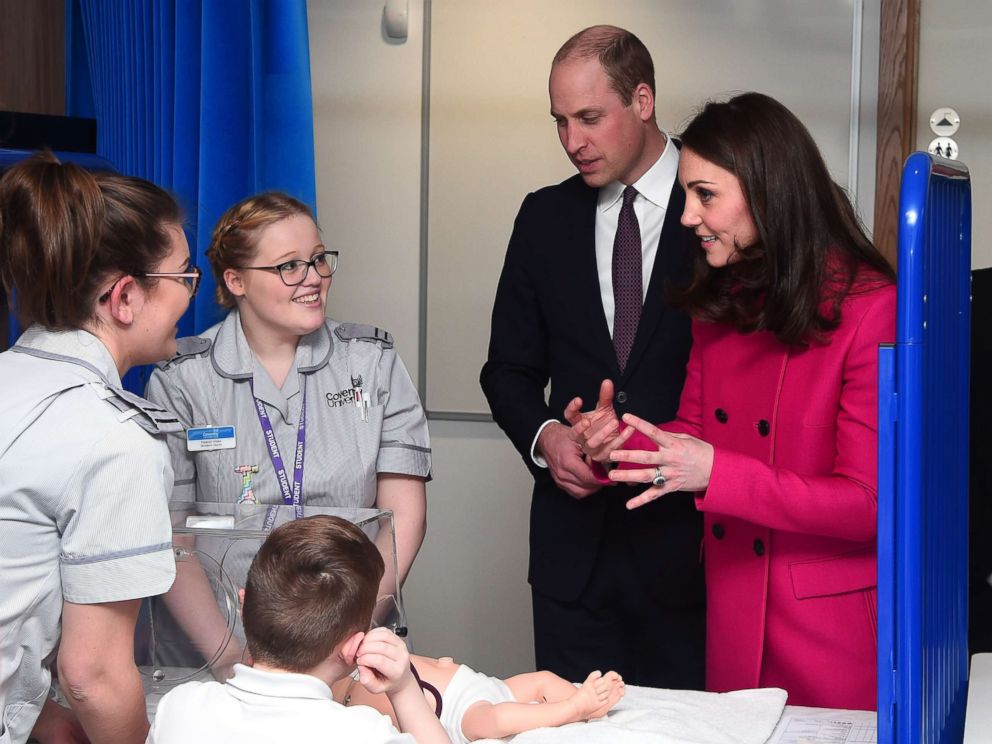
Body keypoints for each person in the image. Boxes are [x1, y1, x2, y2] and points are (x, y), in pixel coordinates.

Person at [568, 92, 896, 710]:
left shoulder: (872, 308)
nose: (688, 216)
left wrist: (719, 473)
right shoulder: (723, 303)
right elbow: (691, 431)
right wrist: (611, 442)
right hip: (735, 606)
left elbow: (868, 504)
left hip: (829, 627)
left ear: (768, 192)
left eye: (705, 195)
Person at [479, 25, 704, 688]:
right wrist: (549, 438)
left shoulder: (721, 202)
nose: (573, 142)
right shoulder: (544, 217)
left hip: (691, 555)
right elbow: (507, 370)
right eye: (560, 122)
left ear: (642, 100)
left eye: (589, 118)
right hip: (571, 559)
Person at [145, 192, 431, 600]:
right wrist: (230, 652)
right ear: (236, 280)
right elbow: (175, 540)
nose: (313, 277)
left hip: (351, 630)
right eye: (289, 266)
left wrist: (348, 631)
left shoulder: (371, 363)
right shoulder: (182, 381)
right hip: (224, 635)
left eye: (317, 259)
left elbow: (405, 519)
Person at [0, 152, 197, 743]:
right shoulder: (114, 439)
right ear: (125, 298)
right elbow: (93, 674)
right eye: (185, 278)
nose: (192, 298)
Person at [148, 515, 448, 743]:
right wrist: (404, 688)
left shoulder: (179, 707)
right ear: (353, 649)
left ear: (244, 605)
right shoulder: (361, 733)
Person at [333, 655, 624, 743]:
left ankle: (591, 706)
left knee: (543, 678)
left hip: (482, 683)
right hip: (458, 713)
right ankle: (573, 708)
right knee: (494, 719)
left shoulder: (363, 654)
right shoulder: (345, 708)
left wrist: (440, 663)